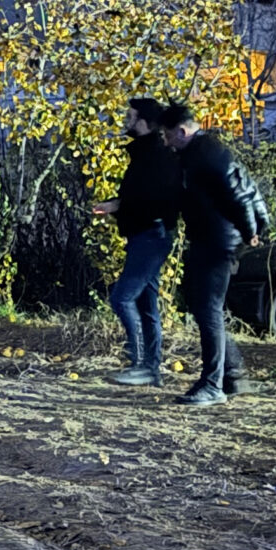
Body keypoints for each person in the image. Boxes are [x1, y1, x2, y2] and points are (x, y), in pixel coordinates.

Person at [169, 105, 268, 407]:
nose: (166, 141)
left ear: (182, 131)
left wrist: (250, 229)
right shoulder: (201, 150)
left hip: (218, 239)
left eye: (167, 135)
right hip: (214, 237)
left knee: (208, 308)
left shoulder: (205, 152)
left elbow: (235, 191)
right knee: (204, 306)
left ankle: (213, 384)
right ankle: (232, 374)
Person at [90, 98, 182, 386]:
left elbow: (152, 199)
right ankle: (150, 367)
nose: (125, 121)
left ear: (143, 122)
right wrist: (116, 205)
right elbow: (143, 196)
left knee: (122, 297)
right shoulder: (149, 153)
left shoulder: (153, 154)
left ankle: (141, 364)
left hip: (150, 234)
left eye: (130, 116)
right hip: (150, 233)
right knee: (146, 303)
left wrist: (121, 206)